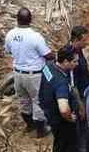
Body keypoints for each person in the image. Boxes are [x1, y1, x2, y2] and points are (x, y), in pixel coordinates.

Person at [39, 45, 87, 152]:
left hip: (50, 114)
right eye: (74, 61)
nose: (76, 64)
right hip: (63, 122)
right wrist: (70, 117)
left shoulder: (48, 66)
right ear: (65, 61)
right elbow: (64, 108)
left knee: (59, 146)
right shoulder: (60, 82)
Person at [4, 7, 55, 138]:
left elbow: (8, 51)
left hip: (17, 73)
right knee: (38, 101)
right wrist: (53, 55)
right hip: (34, 74)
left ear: (17, 19)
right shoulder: (35, 36)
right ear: (30, 20)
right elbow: (48, 55)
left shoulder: (10, 34)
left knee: (23, 100)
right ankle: (40, 130)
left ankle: (30, 125)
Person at [69, 25, 89, 152]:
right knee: (80, 125)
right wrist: (80, 104)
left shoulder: (79, 51)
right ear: (76, 40)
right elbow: (73, 84)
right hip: (78, 97)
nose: (87, 42)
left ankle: (83, 151)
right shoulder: (71, 55)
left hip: (84, 92)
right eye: (84, 40)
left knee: (84, 124)